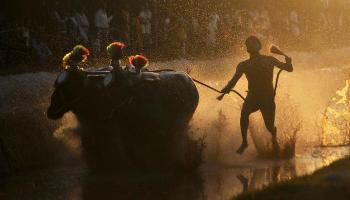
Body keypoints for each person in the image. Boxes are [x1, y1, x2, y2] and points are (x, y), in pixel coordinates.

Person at [220, 36, 293, 155]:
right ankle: (244, 142)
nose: (250, 45)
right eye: (248, 44)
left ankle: (274, 139)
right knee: (244, 113)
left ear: (259, 46)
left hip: (267, 98)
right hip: (252, 97)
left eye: (253, 43)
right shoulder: (243, 65)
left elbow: (288, 69)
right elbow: (234, 80)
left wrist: (288, 61)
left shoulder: (269, 60)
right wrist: (226, 89)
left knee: (269, 126)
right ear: (247, 49)